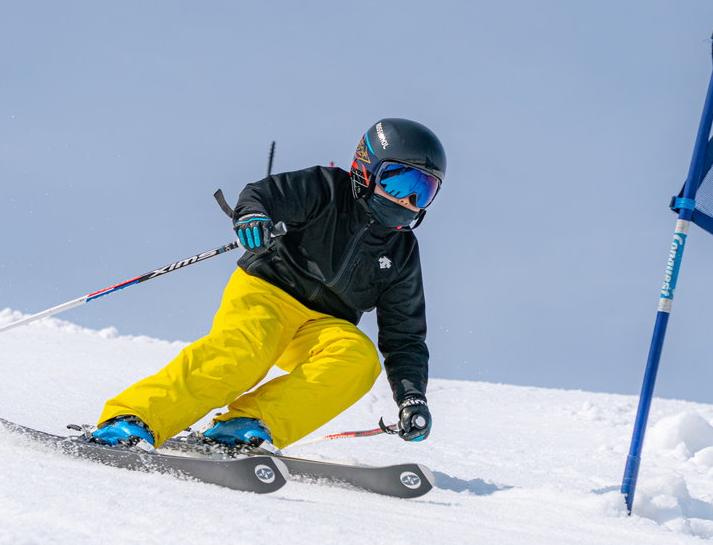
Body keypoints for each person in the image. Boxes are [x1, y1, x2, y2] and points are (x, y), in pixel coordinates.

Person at [88, 118, 445, 451]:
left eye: (423, 191)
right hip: (268, 292)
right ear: (366, 170)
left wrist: (412, 397)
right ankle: (134, 418)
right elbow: (263, 195)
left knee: (358, 360)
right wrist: (253, 216)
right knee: (244, 353)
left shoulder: (401, 251)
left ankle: (245, 425)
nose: (407, 200)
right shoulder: (326, 189)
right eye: (398, 182)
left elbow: (405, 337)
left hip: (323, 325)